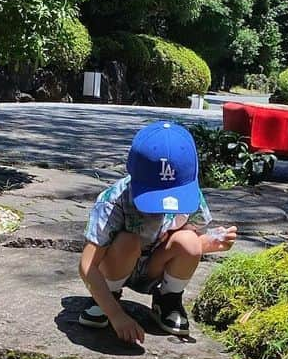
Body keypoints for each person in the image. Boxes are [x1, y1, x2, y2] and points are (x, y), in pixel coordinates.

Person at [78, 121, 238, 342]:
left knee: (189, 241)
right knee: (127, 241)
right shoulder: (114, 201)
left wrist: (212, 243)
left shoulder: (190, 197)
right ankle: (106, 298)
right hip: (116, 264)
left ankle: (168, 299)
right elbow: (87, 264)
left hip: (155, 265)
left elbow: (190, 242)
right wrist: (117, 315)